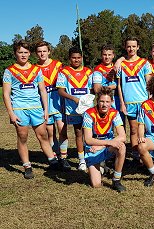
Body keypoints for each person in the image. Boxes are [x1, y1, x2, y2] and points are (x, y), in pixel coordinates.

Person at [2, 40, 60, 179]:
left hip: (36, 108)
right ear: (15, 53)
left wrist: (46, 110)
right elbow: (6, 93)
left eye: (25, 52)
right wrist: (11, 113)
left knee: (43, 135)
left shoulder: (36, 70)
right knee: (23, 137)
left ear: (29, 53)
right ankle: (27, 165)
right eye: (20, 52)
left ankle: (52, 160)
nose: (23, 55)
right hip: (19, 109)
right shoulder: (9, 71)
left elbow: (42, 90)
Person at [35, 41, 70, 171]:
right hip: (45, 105)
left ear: (49, 51)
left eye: (44, 51)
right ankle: (54, 157)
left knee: (63, 131)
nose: (42, 53)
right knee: (51, 133)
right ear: (36, 53)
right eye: (39, 51)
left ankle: (64, 158)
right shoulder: (34, 68)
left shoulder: (58, 65)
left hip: (59, 103)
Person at [82, 87, 126, 191]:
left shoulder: (114, 113)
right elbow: (88, 140)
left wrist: (102, 145)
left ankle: (116, 180)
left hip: (105, 147)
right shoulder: (88, 114)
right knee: (96, 184)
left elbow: (123, 136)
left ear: (112, 102)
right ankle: (101, 167)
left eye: (107, 101)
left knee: (122, 146)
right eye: (101, 101)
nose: (104, 104)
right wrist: (108, 143)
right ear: (97, 101)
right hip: (92, 149)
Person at [117, 36, 152, 164]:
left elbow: (149, 83)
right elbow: (119, 86)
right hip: (129, 102)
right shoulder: (121, 64)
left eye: (133, 46)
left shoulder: (144, 63)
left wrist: (149, 100)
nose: (131, 48)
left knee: (146, 129)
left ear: (138, 47)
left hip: (143, 102)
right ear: (125, 47)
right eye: (128, 46)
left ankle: (146, 154)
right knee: (133, 129)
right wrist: (122, 102)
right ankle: (136, 156)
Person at [57, 47, 93, 171]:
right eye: (73, 58)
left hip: (88, 109)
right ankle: (81, 160)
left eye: (78, 58)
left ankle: (92, 157)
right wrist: (73, 98)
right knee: (78, 133)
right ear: (69, 58)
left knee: (90, 133)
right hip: (73, 109)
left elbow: (93, 89)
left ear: (82, 58)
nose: (76, 60)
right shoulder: (64, 72)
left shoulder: (88, 72)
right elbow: (61, 91)